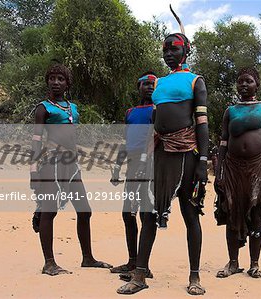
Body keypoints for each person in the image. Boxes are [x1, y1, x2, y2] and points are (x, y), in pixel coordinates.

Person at [116, 15, 209, 295]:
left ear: (186, 50)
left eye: (174, 48)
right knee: (148, 214)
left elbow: (202, 124)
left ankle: (194, 277)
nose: (169, 53)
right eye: (165, 49)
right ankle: (140, 274)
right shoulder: (159, 85)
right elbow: (156, 123)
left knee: (190, 215)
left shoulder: (196, 81)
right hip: (160, 155)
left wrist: (203, 161)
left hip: (187, 156)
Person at [30, 63, 111, 276]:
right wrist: (33, 171)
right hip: (51, 164)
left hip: (72, 166)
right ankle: (49, 263)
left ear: (67, 83)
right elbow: (36, 140)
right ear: (47, 81)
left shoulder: (73, 108)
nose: (56, 82)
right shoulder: (43, 108)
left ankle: (88, 258)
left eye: (60, 79)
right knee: (50, 211)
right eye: (52, 78)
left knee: (85, 211)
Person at [214, 67, 261, 279]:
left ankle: (255, 264)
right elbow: (223, 143)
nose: (243, 84)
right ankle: (233, 263)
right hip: (232, 168)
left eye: (248, 81)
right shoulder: (230, 111)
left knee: (256, 211)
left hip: (258, 167)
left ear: (257, 85)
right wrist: (218, 172)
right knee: (231, 211)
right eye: (240, 81)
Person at [109, 72, 156, 277]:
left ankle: (143, 266)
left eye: (153, 84)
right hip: (132, 165)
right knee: (128, 214)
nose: (149, 87)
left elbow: (157, 139)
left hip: (151, 166)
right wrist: (118, 168)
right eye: (145, 84)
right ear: (138, 87)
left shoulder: (158, 110)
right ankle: (132, 261)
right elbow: (125, 142)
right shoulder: (130, 112)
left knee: (147, 215)